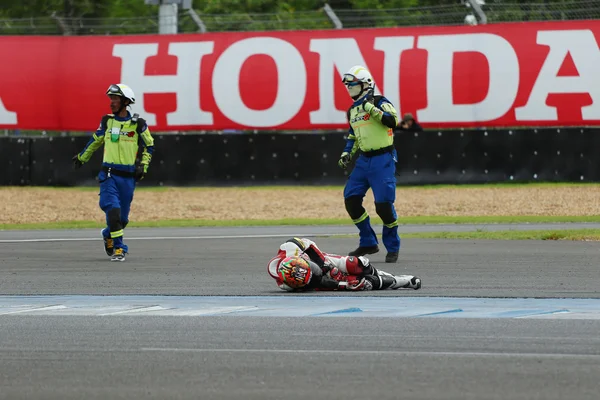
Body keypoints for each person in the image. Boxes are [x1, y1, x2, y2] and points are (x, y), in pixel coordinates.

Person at [72, 83, 155, 262]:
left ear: (126, 101)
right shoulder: (107, 121)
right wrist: (82, 157)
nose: (112, 102)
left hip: (128, 178)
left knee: (122, 220)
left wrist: (144, 166)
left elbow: (149, 145)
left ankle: (107, 234)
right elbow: (95, 141)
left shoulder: (138, 124)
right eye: (111, 99)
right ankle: (119, 248)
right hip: (108, 175)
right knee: (113, 211)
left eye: (115, 99)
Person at [337, 65, 401, 263]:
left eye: (353, 85)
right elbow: (353, 135)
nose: (350, 89)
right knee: (351, 199)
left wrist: (372, 109)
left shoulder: (380, 102)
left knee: (383, 206)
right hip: (363, 161)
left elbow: (393, 121)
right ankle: (368, 242)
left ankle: (392, 246)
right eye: (348, 86)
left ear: (366, 85)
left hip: (383, 160)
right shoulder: (353, 110)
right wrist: (347, 153)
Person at [267, 237, 421, 292]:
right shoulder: (287, 285)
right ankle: (401, 281)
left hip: (322, 260)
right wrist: (343, 285)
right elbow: (317, 285)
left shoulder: (290, 248)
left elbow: (310, 244)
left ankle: (388, 276)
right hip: (316, 283)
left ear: (299, 259)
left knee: (358, 263)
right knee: (360, 284)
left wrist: (325, 265)